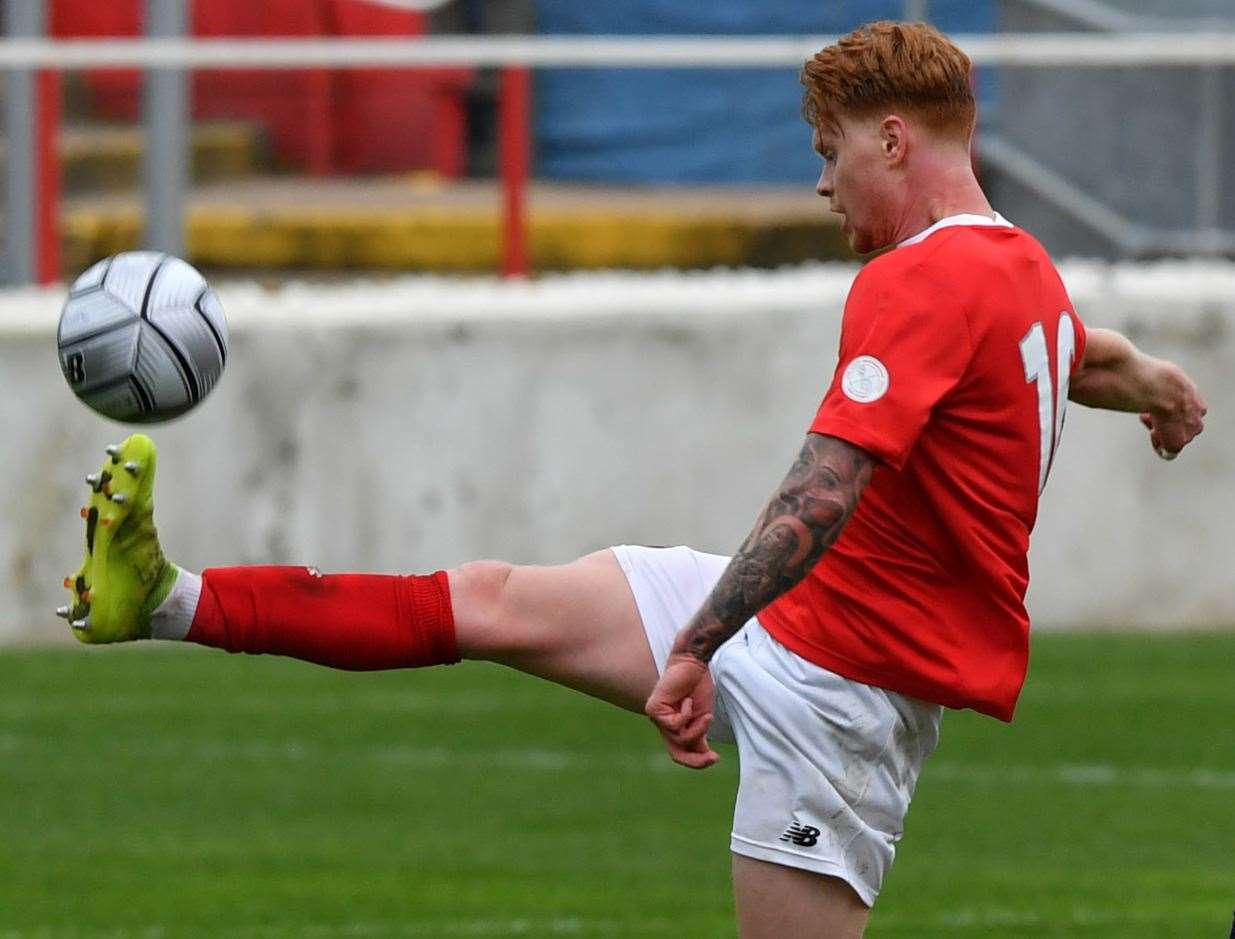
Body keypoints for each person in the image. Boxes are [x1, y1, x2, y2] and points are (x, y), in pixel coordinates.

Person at [59, 21, 1206, 939]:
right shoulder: (1023, 270)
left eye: (827, 154)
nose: (821, 186)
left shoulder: (917, 282)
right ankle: (164, 599)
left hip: (843, 695)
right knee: (492, 600)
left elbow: (823, 489)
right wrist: (1153, 379)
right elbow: (1068, 352)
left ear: (893, 142)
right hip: (799, 628)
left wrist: (697, 643)